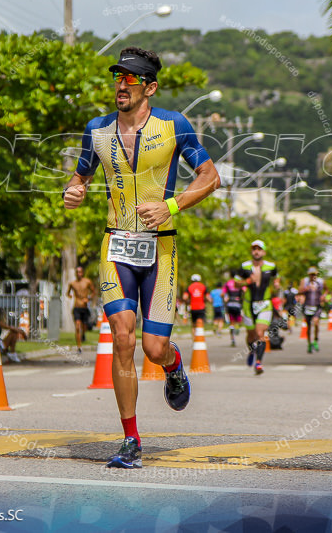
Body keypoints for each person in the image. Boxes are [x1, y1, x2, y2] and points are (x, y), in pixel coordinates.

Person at [63, 46, 220, 469]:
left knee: (153, 348)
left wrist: (171, 207)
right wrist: (72, 191)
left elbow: (211, 177)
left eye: (131, 79)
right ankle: (130, 437)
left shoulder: (174, 125)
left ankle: (173, 365)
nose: (121, 85)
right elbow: (79, 177)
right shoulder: (96, 130)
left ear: (149, 87)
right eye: (118, 78)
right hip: (115, 244)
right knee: (122, 337)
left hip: (160, 246)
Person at [238, 240, 278, 374]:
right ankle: (251, 351)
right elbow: (236, 283)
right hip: (248, 304)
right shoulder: (244, 266)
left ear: (264, 252)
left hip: (265, 304)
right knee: (251, 335)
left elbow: (276, 278)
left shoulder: (271, 266)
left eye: (259, 249)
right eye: (254, 249)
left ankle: (259, 363)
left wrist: (277, 285)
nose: (256, 251)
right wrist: (247, 281)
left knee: (260, 333)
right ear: (251, 251)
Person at [67, 266, 96, 353]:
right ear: (75, 273)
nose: (78, 274)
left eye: (80, 272)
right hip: (76, 307)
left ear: (82, 273)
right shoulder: (72, 283)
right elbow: (68, 293)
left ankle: (83, 334)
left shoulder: (87, 282)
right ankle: (79, 347)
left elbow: (94, 292)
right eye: (77, 272)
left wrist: (88, 298)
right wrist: (70, 296)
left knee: (84, 327)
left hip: (85, 308)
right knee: (77, 326)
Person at [299, 267, 325, 353]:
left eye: (314, 274)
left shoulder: (321, 282)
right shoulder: (305, 281)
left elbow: (327, 290)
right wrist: (304, 291)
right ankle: (309, 343)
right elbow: (299, 291)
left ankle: (316, 340)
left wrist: (323, 296)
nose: (313, 276)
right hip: (307, 306)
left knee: (316, 322)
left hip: (317, 305)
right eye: (311, 274)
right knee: (309, 326)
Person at [223, 273, 244, 346]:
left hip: (230, 304)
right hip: (238, 304)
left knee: (232, 322)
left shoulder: (227, 284)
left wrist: (226, 298)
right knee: (239, 320)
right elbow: (245, 291)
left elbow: (223, 294)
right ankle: (237, 328)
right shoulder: (240, 283)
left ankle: (232, 339)